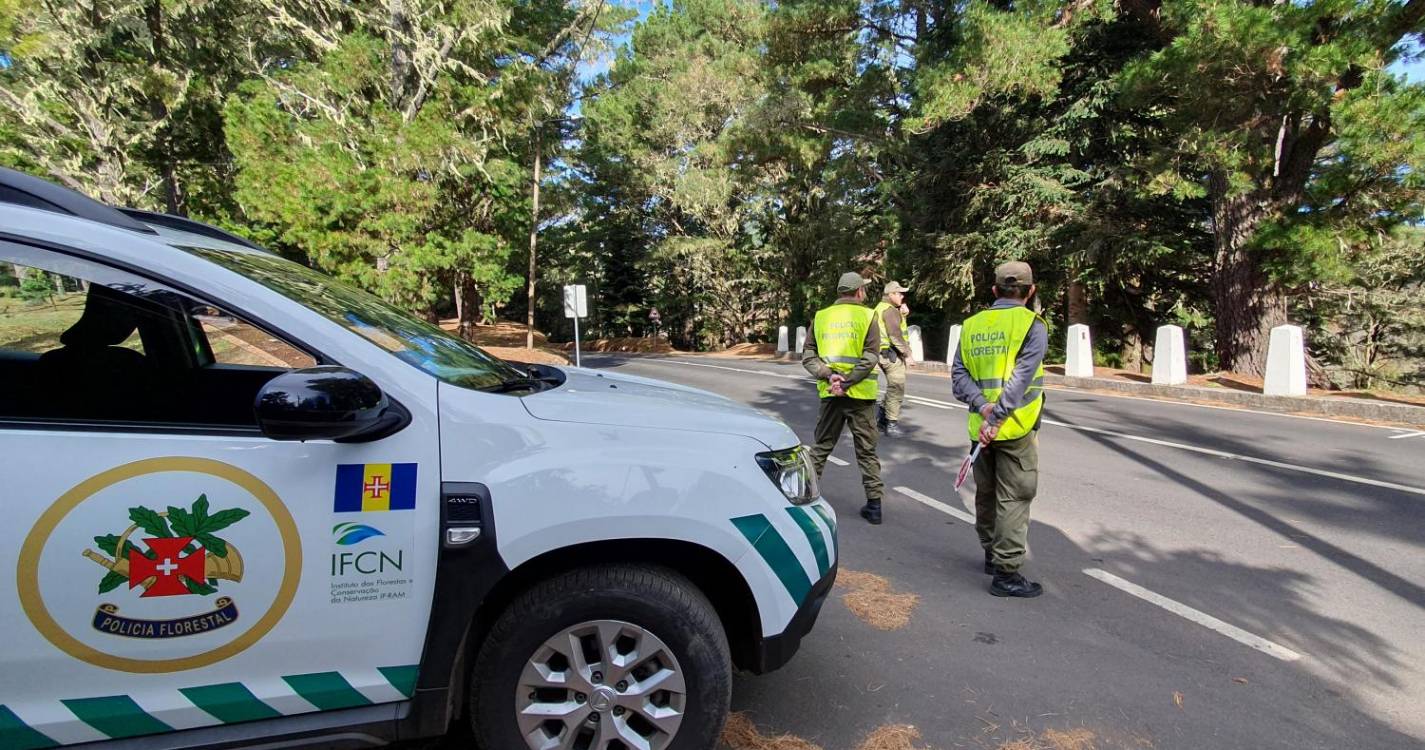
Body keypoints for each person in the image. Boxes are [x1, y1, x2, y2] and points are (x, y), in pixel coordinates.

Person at [951, 261, 1047, 597]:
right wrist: (998, 416)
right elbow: (1021, 379)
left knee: (987, 494)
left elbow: (958, 378)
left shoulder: (972, 325)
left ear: (994, 290)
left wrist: (982, 407)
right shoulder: (1032, 325)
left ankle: (991, 554)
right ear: (1030, 291)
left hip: (980, 429)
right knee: (1015, 498)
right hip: (1015, 427)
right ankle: (1006, 573)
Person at [803, 271, 885, 524]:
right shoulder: (869, 315)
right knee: (867, 451)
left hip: (831, 394)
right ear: (859, 291)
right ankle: (874, 507)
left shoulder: (821, 317)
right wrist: (848, 381)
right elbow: (871, 356)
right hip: (860, 396)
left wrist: (829, 376)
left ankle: (804, 499)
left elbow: (808, 356)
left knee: (821, 447)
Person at [873, 281, 913, 437]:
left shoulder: (878, 308)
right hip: (891, 355)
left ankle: (882, 420)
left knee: (886, 389)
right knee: (896, 388)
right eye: (899, 293)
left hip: (877, 354)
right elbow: (896, 336)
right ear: (891, 295)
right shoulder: (890, 311)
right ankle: (891, 424)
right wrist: (908, 355)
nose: (902, 296)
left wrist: (903, 316)